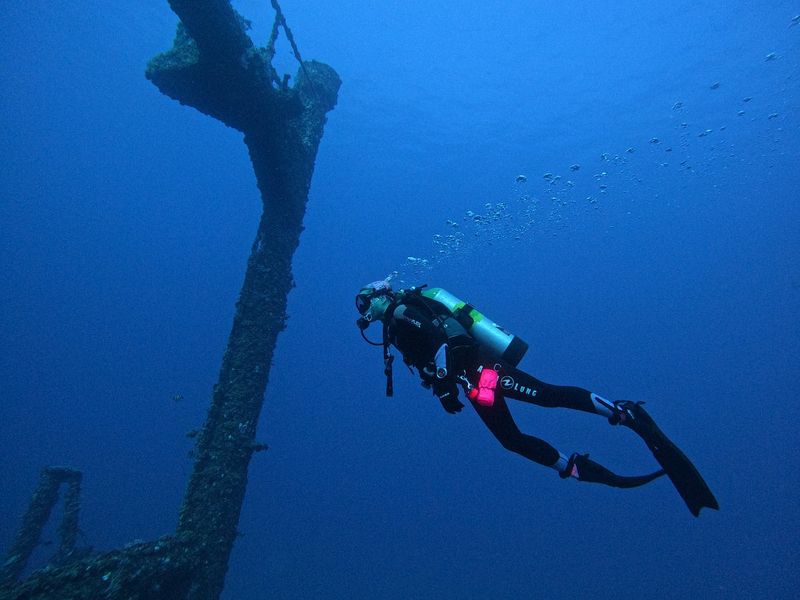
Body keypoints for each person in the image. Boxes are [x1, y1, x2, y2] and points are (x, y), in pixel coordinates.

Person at [355, 280, 719, 517]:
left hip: (484, 371)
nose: (365, 312)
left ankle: (623, 413)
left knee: (546, 395)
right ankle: (574, 467)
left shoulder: (404, 312)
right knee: (511, 441)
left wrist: (447, 383)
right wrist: (444, 388)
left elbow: (453, 339)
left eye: (364, 302)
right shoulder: (396, 330)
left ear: (381, 297)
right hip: (474, 384)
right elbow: (433, 360)